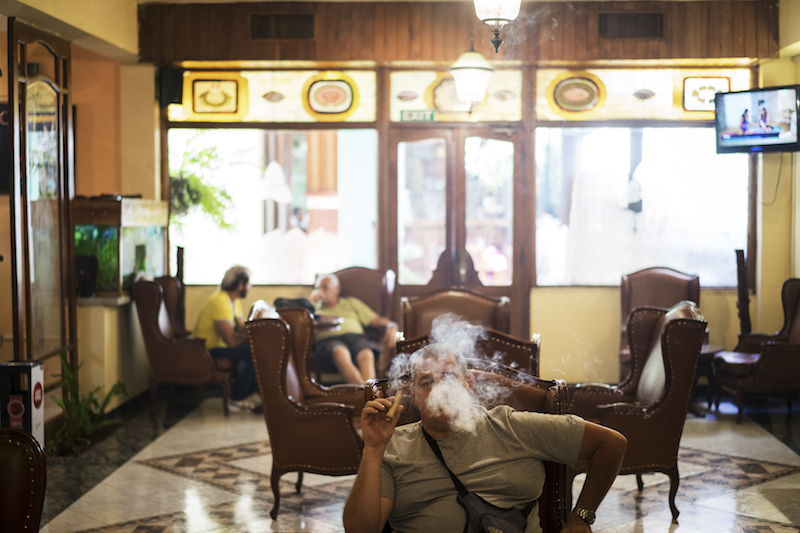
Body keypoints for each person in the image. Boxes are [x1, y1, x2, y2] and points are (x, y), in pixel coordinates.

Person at [343, 343, 628, 533]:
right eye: (426, 382)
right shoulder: (391, 446)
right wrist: (373, 448)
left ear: (469, 385)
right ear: (414, 395)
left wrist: (582, 518)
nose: (439, 389)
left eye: (449, 377)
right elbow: (360, 531)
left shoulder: (511, 426)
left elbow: (611, 444)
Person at [309, 273, 398, 384]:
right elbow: (300, 322)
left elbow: (377, 320)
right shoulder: (313, 307)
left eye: (325, 287)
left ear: (337, 289)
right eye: (318, 288)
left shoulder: (351, 302)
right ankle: (367, 396)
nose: (320, 291)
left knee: (366, 353)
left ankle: (366, 395)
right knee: (340, 352)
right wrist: (309, 303)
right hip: (328, 341)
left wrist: (391, 326)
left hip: (356, 338)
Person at [193, 265, 259, 412]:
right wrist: (253, 340)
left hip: (219, 347)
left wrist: (260, 331)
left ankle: (246, 394)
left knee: (254, 348)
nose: (250, 287)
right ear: (240, 284)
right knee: (250, 351)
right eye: (248, 283)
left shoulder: (233, 301)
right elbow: (232, 341)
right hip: (206, 350)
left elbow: (242, 328)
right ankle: (236, 400)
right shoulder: (220, 301)